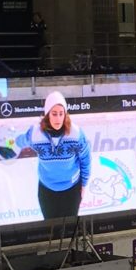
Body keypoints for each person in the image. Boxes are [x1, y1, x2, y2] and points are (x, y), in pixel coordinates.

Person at [12, 91, 91, 221]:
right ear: (47, 114)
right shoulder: (35, 134)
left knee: (70, 230)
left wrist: (84, 185)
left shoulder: (76, 134)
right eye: (54, 114)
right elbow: (20, 141)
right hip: (47, 190)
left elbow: (86, 160)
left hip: (71, 189)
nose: (58, 118)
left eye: (61, 114)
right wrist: (9, 141)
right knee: (51, 231)